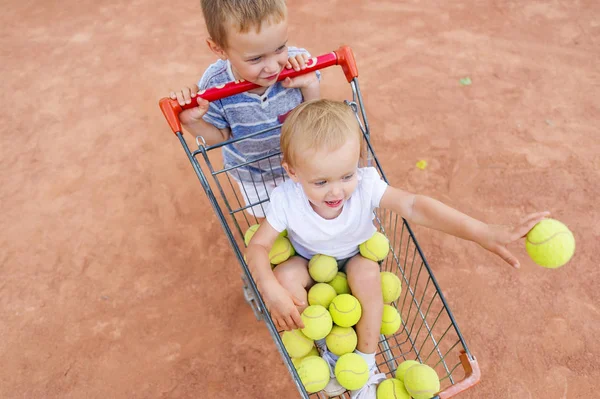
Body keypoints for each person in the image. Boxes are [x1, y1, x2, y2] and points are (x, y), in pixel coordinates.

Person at [245, 99, 549, 398]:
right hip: (307, 259)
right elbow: (259, 245)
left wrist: (482, 231)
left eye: (347, 176)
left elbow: (415, 205)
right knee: (284, 275)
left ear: (358, 165)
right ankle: (325, 345)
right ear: (293, 172)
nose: (336, 191)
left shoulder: (366, 186)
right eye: (321, 181)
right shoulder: (287, 199)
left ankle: (363, 363)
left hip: (353, 256)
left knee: (367, 271)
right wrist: (270, 289)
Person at [170, 0, 320, 218]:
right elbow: (220, 138)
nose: (272, 67)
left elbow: (314, 117)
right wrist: (192, 122)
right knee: (272, 225)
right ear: (219, 49)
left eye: (280, 48)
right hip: (254, 174)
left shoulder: (297, 64)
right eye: (256, 58)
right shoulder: (213, 86)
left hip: (302, 164)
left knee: (314, 215)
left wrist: (310, 85)